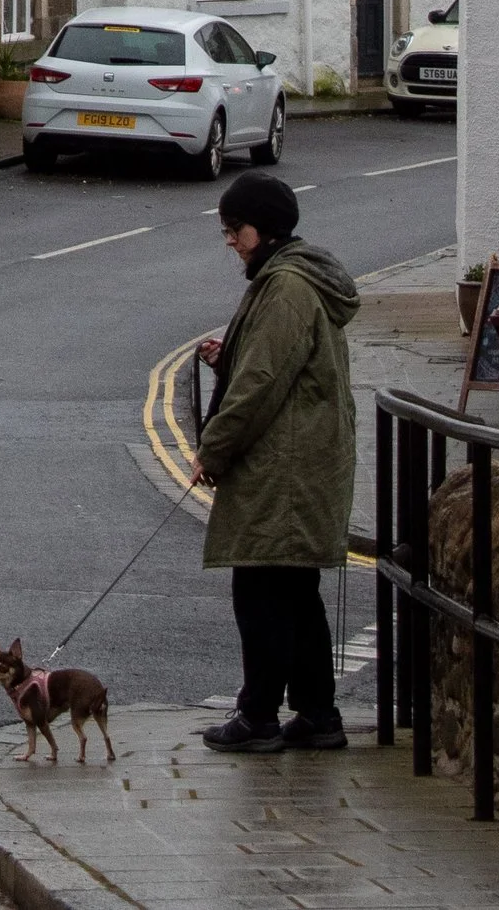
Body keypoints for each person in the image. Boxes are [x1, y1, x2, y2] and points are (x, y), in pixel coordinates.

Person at [188, 168, 359, 752]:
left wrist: (213, 450)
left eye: (234, 228)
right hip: (301, 462)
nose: (230, 240)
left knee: (260, 589)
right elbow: (278, 367)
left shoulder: (284, 289)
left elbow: (261, 384)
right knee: (293, 590)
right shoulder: (291, 278)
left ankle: (258, 716)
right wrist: (225, 356)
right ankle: (317, 715)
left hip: (284, 471)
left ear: (262, 229)